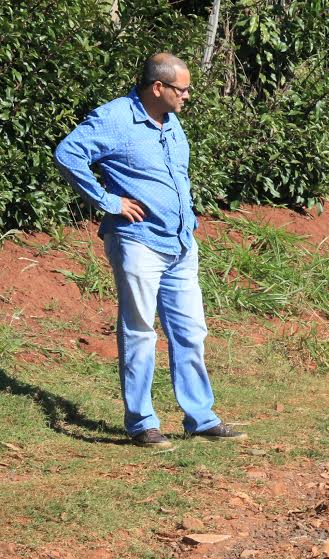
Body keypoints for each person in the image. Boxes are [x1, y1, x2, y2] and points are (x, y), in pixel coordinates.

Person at [54, 53, 244, 448]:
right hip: (138, 241)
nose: (188, 96)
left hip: (178, 244)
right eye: (183, 89)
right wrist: (108, 202)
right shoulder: (115, 119)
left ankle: (201, 418)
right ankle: (142, 424)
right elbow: (68, 154)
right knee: (140, 332)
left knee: (191, 332)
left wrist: (188, 218)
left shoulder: (171, 123)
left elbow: (179, 176)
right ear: (158, 87)